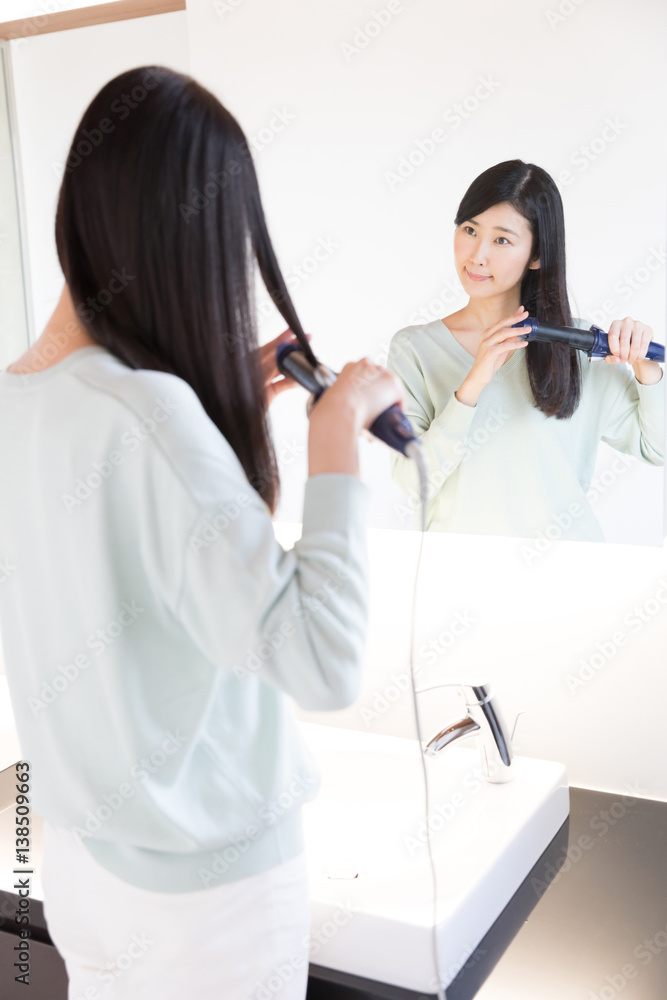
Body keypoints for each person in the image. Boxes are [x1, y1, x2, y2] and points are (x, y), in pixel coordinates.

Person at [0, 65, 405, 999]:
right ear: (195, 245)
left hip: (86, 873)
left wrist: (224, 435)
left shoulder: (24, 404)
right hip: (207, 908)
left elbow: (170, 593)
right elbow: (322, 660)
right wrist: (336, 440)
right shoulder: (151, 416)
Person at [387, 159, 664, 542]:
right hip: (456, 582)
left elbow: (657, 449)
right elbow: (412, 479)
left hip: (568, 579)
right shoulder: (414, 349)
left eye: (502, 239)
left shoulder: (578, 345)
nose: (477, 254)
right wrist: (475, 380)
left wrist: (647, 370)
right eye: (469, 229)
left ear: (537, 255)